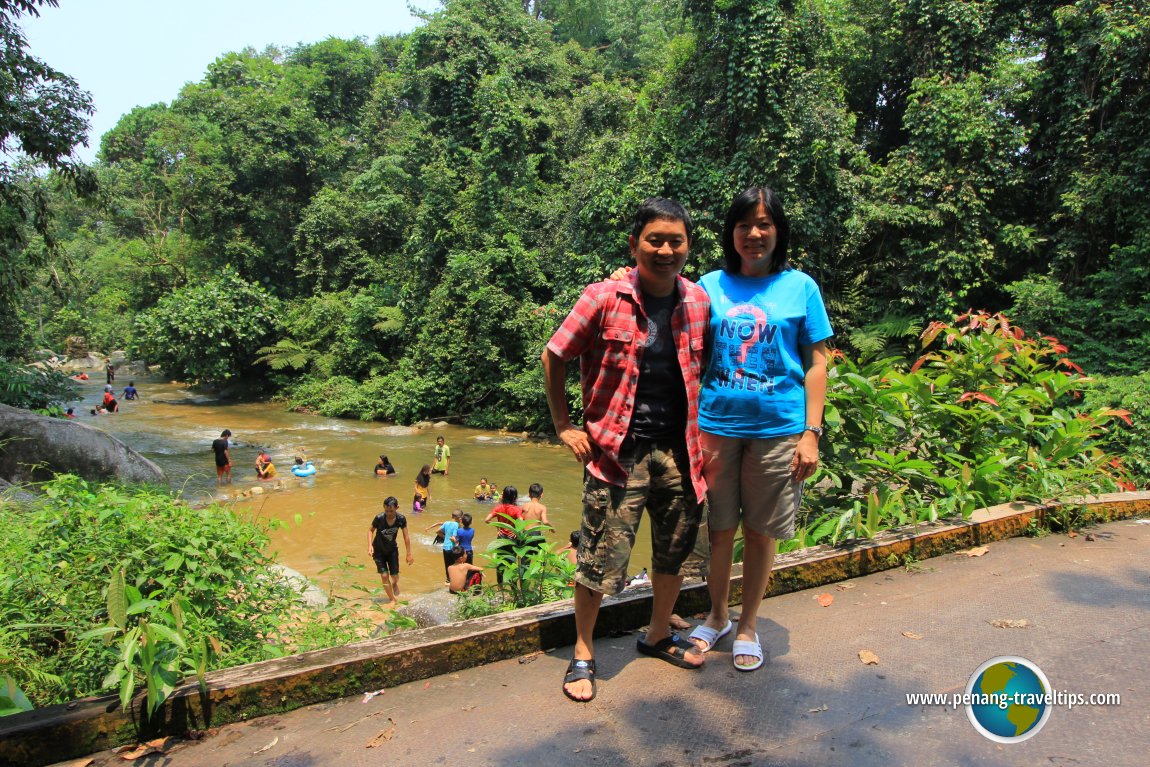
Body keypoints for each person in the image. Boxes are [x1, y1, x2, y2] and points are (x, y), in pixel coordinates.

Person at [542, 197, 711, 702]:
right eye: (654, 239)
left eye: (675, 240)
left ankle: (658, 635)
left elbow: (712, 372)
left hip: (682, 450)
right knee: (598, 555)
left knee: (675, 551)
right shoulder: (602, 297)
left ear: (687, 246)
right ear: (635, 244)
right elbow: (555, 354)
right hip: (618, 452)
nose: (665, 249)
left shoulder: (698, 302)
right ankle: (583, 651)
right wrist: (564, 425)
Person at [684, 186, 832, 672]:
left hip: (779, 429)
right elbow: (676, 326)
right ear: (731, 232)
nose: (754, 233)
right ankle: (718, 616)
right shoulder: (709, 285)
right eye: (745, 224)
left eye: (764, 224)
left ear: (778, 232)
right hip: (716, 427)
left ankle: (748, 625)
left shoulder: (801, 287)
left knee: (761, 532)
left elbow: (816, 361)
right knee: (720, 528)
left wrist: (811, 432)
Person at [369, 496, 414, 607]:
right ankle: (392, 599)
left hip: (392, 550)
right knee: (384, 575)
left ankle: (394, 584)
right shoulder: (379, 518)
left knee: (395, 576)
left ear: (397, 508)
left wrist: (408, 554)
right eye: (386, 511)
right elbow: (370, 530)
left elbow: (406, 536)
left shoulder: (401, 519)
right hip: (378, 551)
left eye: (391, 511)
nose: (389, 513)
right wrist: (370, 545)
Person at [484, 485, 524, 585]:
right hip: (512, 538)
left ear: (504, 496)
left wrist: (498, 528)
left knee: (500, 561)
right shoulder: (517, 509)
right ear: (515, 497)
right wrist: (515, 531)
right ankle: (513, 587)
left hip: (501, 538)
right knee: (512, 562)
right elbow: (522, 523)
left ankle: (500, 586)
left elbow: (487, 520)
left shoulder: (498, 508)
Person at [427, 509, 463, 583]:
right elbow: (453, 538)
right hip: (452, 548)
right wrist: (457, 543)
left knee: (447, 565)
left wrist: (444, 537)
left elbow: (437, 531)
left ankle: (448, 579)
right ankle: (455, 580)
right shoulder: (456, 525)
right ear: (460, 518)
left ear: (451, 516)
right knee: (455, 564)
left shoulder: (446, 523)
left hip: (445, 548)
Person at [521, 482, 550, 548]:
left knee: (524, 555)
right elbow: (545, 522)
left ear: (529, 494)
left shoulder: (524, 506)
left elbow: (520, 520)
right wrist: (551, 528)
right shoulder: (542, 507)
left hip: (525, 534)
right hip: (536, 534)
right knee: (541, 555)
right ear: (542, 494)